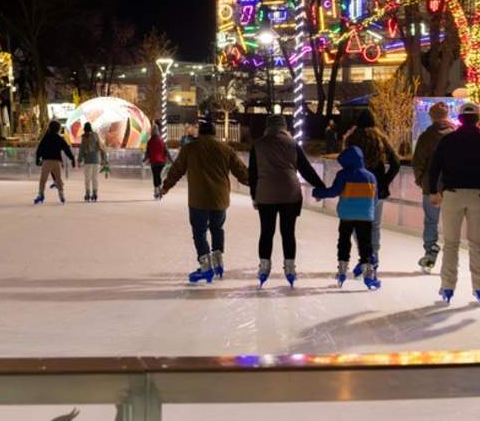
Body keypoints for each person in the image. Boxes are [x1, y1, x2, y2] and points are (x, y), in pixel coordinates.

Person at [429, 101, 480, 306]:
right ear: (478, 118)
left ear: (459, 119)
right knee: (476, 243)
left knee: (451, 244)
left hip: (452, 196)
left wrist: (433, 192)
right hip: (477, 197)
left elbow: (435, 168)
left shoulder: (447, 140)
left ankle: (447, 286)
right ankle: (479, 287)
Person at [161, 118, 249, 283]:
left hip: (198, 200)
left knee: (199, 232)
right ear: (215, 133)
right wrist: (256, 183)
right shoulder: (226, 149)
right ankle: (218, 262)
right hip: (219, 199)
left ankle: (205, 266)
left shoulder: (190, 148)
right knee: (217, 229)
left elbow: (177, 169)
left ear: (200, 133)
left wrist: (166, 186)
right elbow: (242, 172)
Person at [250, 114, 325, 287]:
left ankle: (264, 266)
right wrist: (320, 187)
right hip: (290, 194)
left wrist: (255, 196)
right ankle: (290, 267)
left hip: (266, 195)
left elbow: (252, 174)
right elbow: (306, 170)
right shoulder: (293, 144)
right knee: (288, 232)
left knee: (266, 232)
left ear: (267, 126)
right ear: (284, 127)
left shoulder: (258, 145)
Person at [312, 145, 381, 290]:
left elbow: (334, 191)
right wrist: (370, 211)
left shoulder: (343, 174)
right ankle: (368, 274)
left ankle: (342, 270)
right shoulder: (371, 176)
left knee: (344, 241)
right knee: (365, 245)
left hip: (346, 215)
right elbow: (375, 199)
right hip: (365, 216)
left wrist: (318, 192)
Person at [345, 110, 400, 276]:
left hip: (356, 188)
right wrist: (384, 181)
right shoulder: (380, 139)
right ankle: (372, 255)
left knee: (356, 223)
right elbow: (396, 163)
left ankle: (365, 256)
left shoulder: (352, 139)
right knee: (374, 225)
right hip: (377, 188)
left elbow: (346, 163)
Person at [412, 101, 455, 272]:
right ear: (447, 116)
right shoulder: (456, 135)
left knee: (431, 221)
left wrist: (421, 181)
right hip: (453, 187)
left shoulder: (426, 136)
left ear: (431, 117)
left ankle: (431, 250)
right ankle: (451, 258)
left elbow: (418, 162)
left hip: (431, 187)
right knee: (452, 223)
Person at [34, 120, 75, 204]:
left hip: (46, 161)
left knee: (43, 179)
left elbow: (40, 148)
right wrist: (72, 158)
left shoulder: (46, 137)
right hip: (56, 161)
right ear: (58, 128)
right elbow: (66, 149)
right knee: (58, 179)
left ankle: (41, 194)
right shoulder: (59, 138)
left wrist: (38, 159)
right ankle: (61, 194)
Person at [78, 122, 107, 202]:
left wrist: (79, 160)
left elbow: (82, 150)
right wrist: (104, 158)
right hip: (96, 160)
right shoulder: (96, 135)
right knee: (95, 178)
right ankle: (95, 193)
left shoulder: (84, 137)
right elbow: (101, 147)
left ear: (84, 129)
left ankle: (87, 193)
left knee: (87, 178)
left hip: (88, 161)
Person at [144, 124, 172, 199]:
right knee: (158, 175)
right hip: (162, 162)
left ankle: (157, 189)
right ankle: (159, 188)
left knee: (155, 175)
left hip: (153, 162)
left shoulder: (150, 141)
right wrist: (171, 160)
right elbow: (166, 151)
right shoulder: (162, 141)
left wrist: (144, 159)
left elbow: (148, 152)